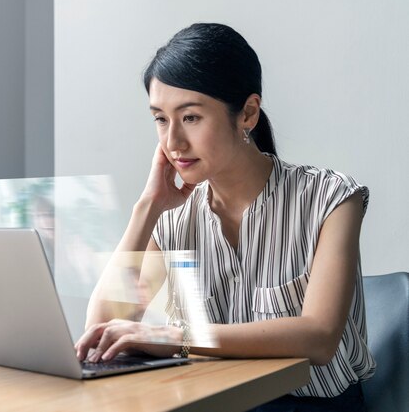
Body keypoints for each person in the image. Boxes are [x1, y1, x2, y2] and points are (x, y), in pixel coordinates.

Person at [74, 23, 375, 411]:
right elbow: (99, 332)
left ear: (247, 113)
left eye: (191, 118)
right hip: (210, 402)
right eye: (161, 119)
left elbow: (318, 337)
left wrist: (173, 337)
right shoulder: (170, 220)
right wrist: (146, 207)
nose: (172, 142)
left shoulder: (330, 197)